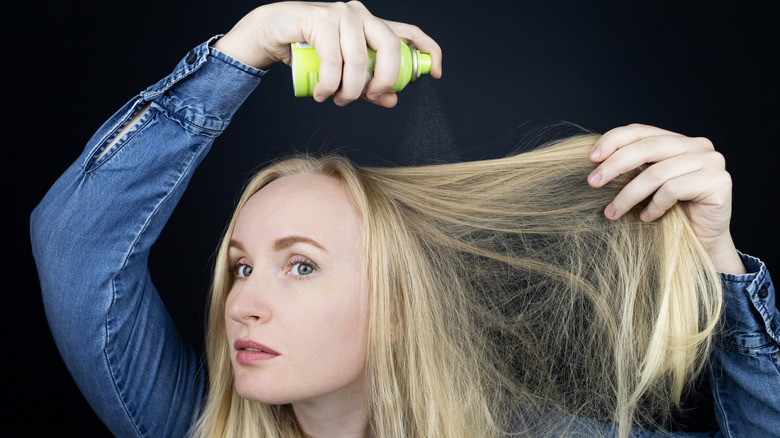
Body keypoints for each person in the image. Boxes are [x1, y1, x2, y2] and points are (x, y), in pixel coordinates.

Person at [30, 1, 778, 437]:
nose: (242, 302)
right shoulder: (197, 423)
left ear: (395, 308)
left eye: (301, 264)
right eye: (242, 266)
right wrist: (249, 42)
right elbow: (75, 245)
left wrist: (716, 262)